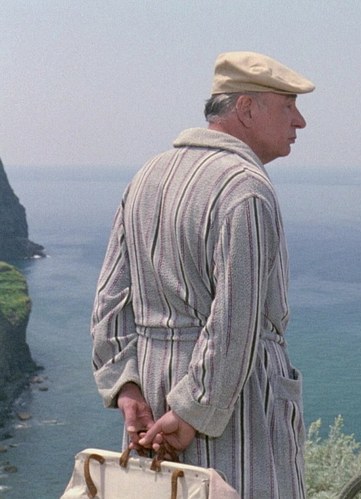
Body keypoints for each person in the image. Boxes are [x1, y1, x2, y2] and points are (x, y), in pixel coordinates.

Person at [90, 51, 315, 498]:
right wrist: (193, 410)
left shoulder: (147, 176)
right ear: (246, 108)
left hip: (151, 399)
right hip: (237, 409)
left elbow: (109, 301)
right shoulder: (245, 189)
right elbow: (236, 322)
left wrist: (126, 387)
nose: (300, 121)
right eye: (288, 105)